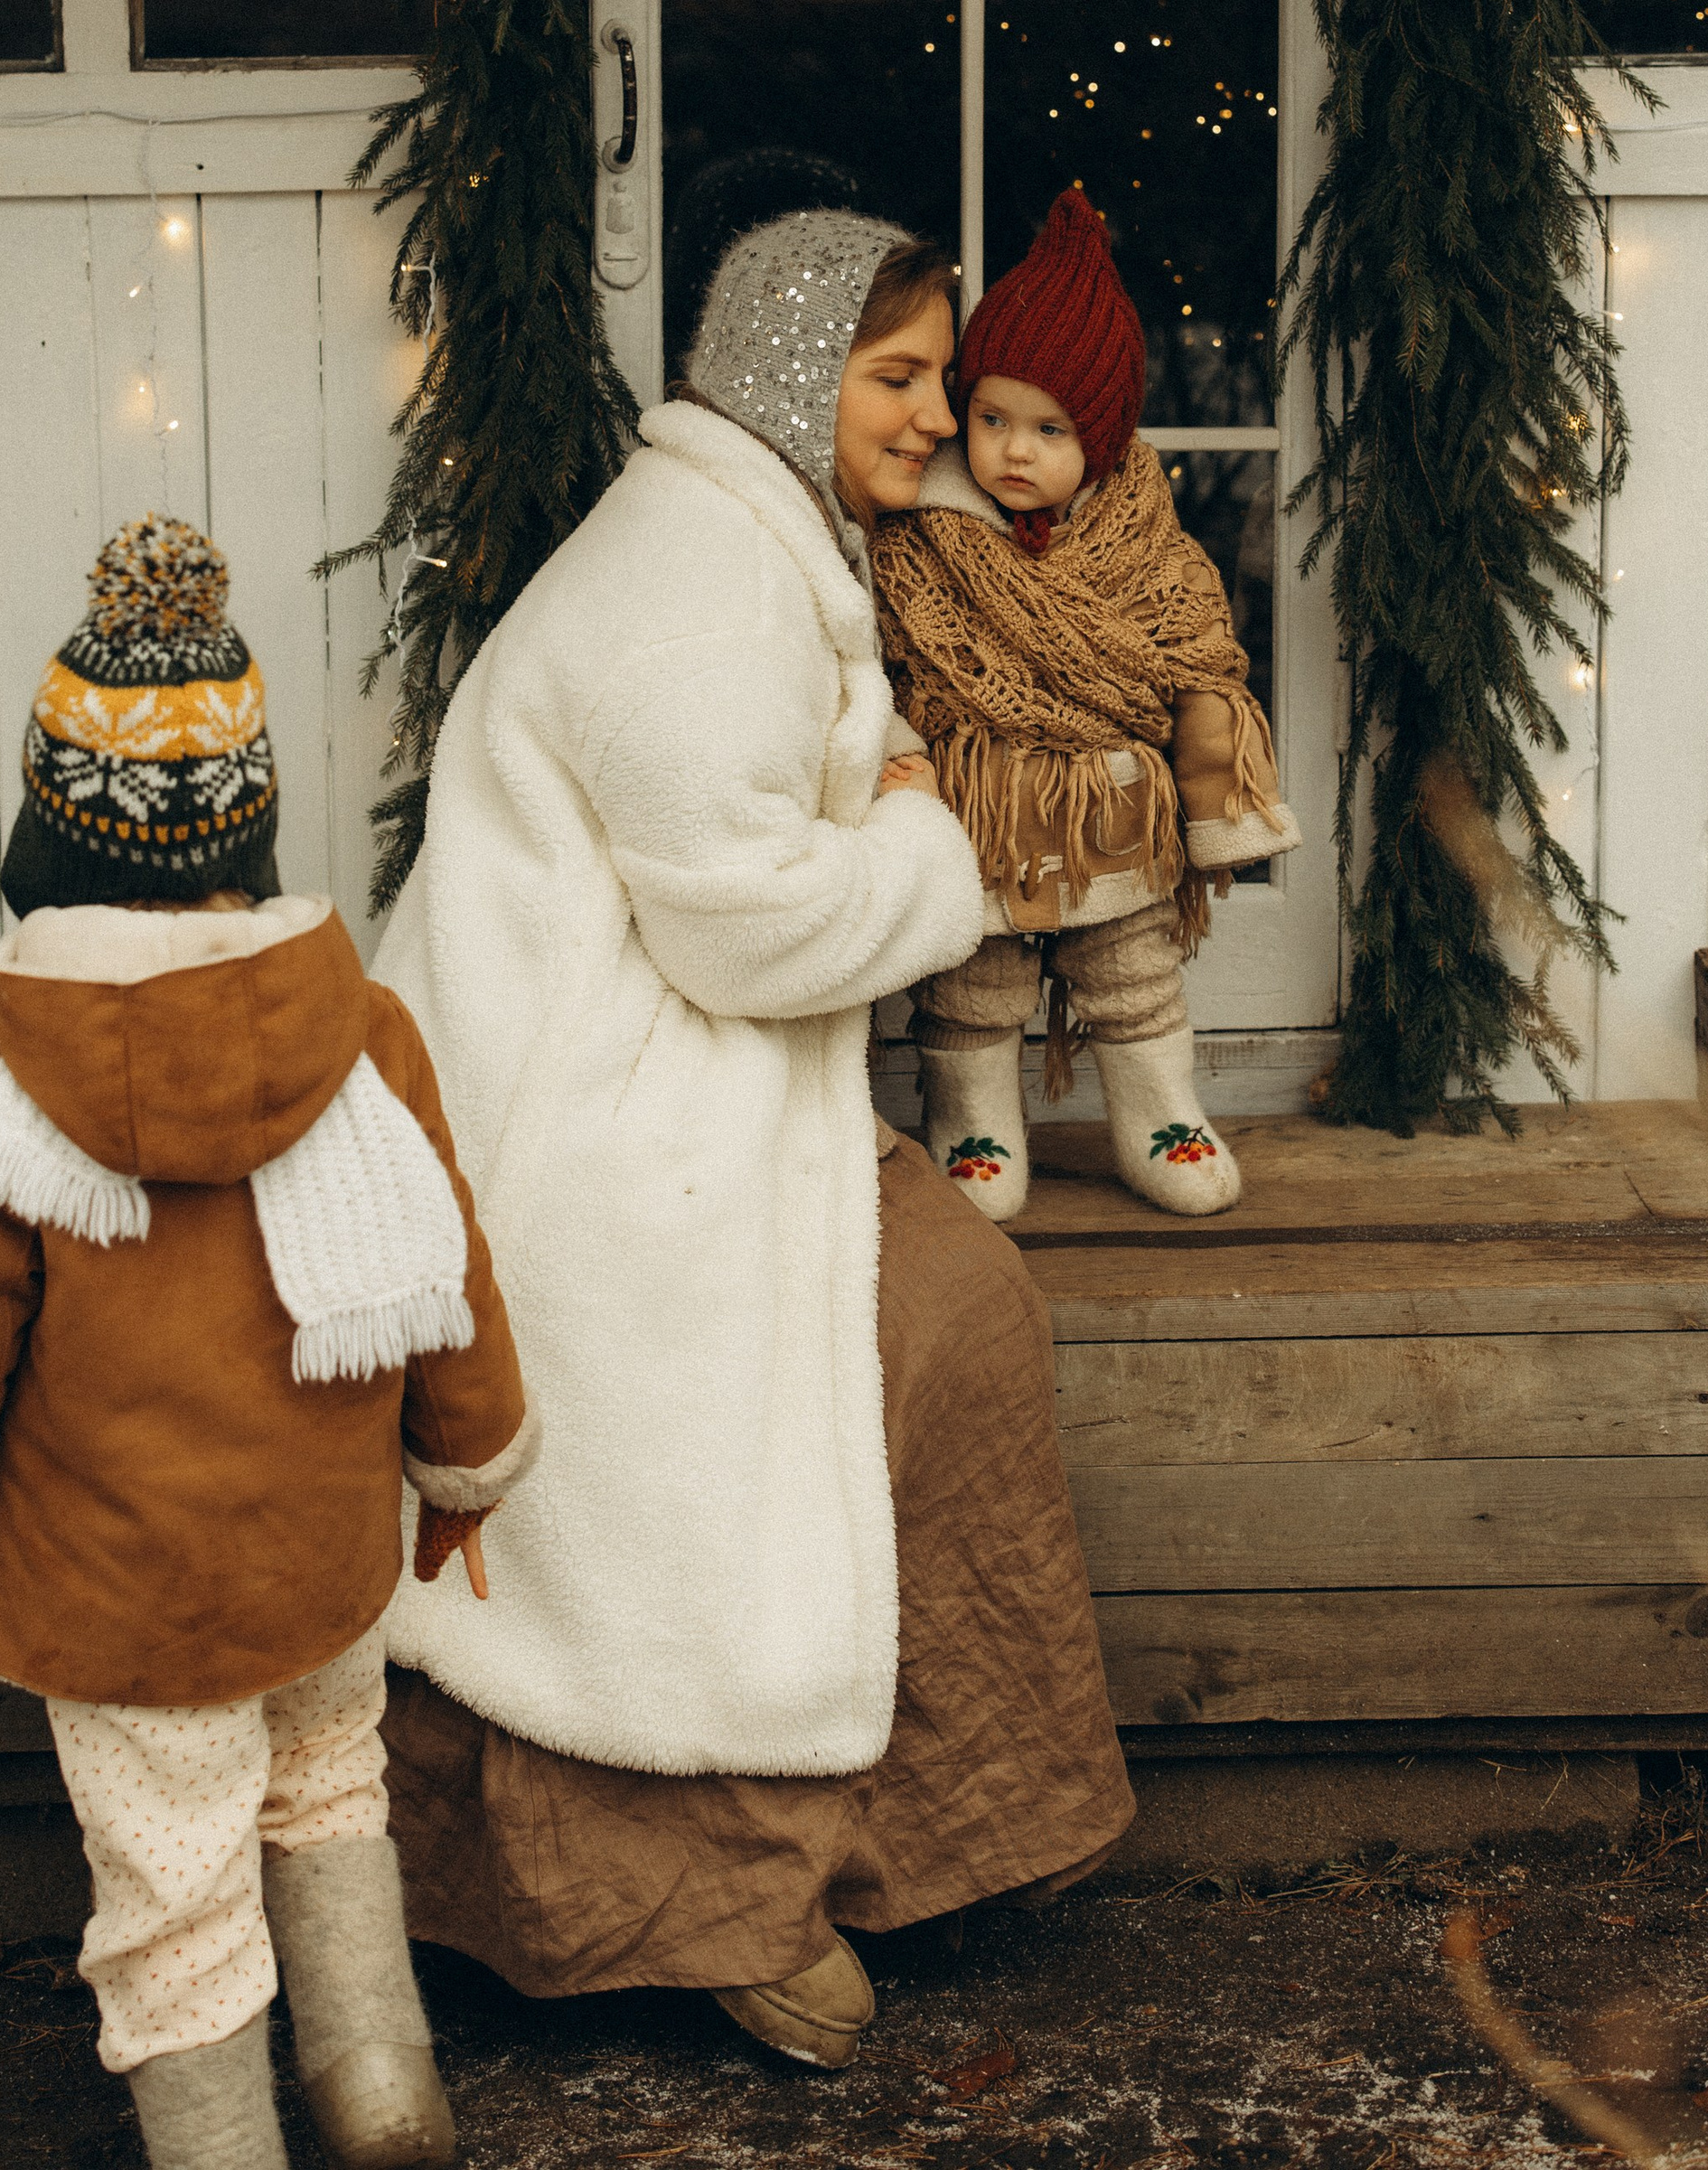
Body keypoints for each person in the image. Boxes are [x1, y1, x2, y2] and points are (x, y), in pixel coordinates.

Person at [378, 209, 1134, 2070]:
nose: (931, 420)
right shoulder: (692, 583)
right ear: (795, 378)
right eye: (892, 380)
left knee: (959, 1319)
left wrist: (873, 816)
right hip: (579, 1130)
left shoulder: (757, 544)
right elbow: (743, 918)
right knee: (874, 1342)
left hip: (689, 1072)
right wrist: (928, 850)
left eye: (937, 382)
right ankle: (716, 1894)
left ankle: (942, 1822)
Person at [0, 517, 532, 2170]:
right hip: (320, 1563)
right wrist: (471, 1460)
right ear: (254, 824)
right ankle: (383, 2100)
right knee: (329, 1786)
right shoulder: (367, 1035)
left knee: (175, 1889)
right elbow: (453, 1268)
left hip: (123, 1608)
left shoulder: (2, 1083)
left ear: (52, 838)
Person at [869, 188, 1298, 1223]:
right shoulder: (915, 537)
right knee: (971, 986)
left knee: (1133, 968)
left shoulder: (1146, 541)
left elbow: (1200, 664)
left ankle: (1161, 1119)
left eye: (1050, 427)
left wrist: (1220, 812)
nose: (1014, 450)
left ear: (1099, 438)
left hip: (1111, 809)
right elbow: (880, 672)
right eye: (992, 419)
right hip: (979, 814)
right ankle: (973, 1128)